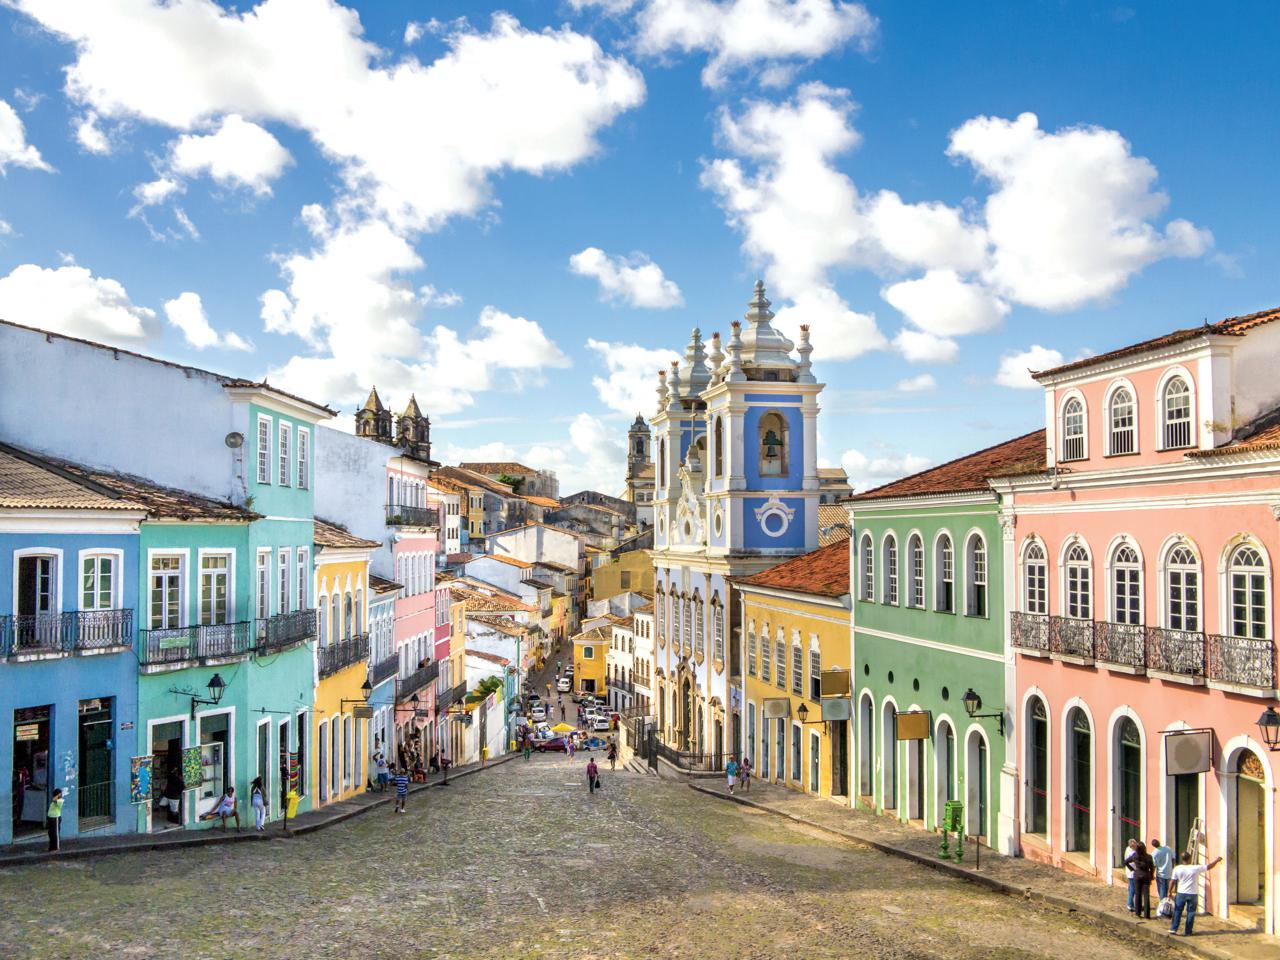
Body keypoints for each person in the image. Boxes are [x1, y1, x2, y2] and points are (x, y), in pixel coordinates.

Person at [1169, 852, 1222, 936]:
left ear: (1182, 859)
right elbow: (1209, 866)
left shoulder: (1177, 868)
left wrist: (1169, 891)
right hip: (1192, 894)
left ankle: (1173, 929)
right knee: (1191, 912)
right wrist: (1217, 860)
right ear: (1189, 859)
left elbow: (1172, 881)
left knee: (1178, 911)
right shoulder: (1195, 868)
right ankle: (1188, 931)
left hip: (1181, 893)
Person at [1130, 842, 1155, 919]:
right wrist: (1151, 875)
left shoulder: (1135, 856)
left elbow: (1126, 862)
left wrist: (1132, 869)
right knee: (1146, 895)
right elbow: (1152, 867)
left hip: (1137, 875)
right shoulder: (1149, 857)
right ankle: (1147, 915)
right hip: (1146, 875)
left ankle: (1138, 912)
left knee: (1138, 894)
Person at [1122, 838, 1138, 913]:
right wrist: (1133, 869)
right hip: (1132, 873)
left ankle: (1131, 903)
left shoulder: (1127, 849)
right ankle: (1130, 904)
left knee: (1131, 888)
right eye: (1135, 845)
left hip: (1129, 872)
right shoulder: (1133, 853)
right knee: (1132, 889)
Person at [46, 787, 64, 852]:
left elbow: (54, 800)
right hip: (50, 818)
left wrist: (57, 795)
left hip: (55, 818)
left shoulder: (60, 800)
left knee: (55, 833)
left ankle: (56, 847)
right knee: (50, 833)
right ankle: (51, 847)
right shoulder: (56, 800)